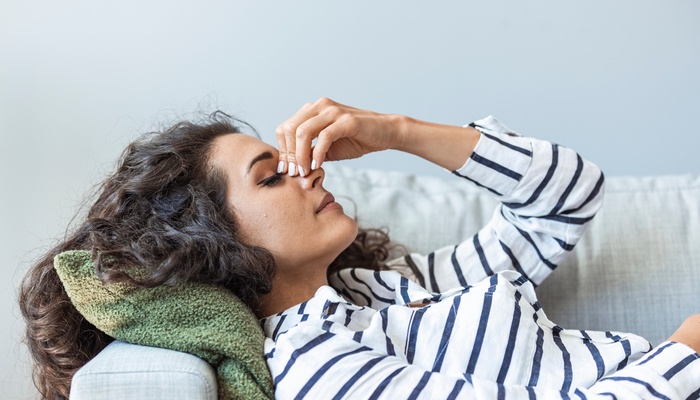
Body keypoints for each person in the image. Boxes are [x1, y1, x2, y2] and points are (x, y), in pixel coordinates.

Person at [19, 98, 700, 400]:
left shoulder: (380, 287)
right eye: (272, 176)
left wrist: (398, 130)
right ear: (214, 242)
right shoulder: (317, 369)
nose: (308, 171)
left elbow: (568, 201)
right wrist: (688, 350)